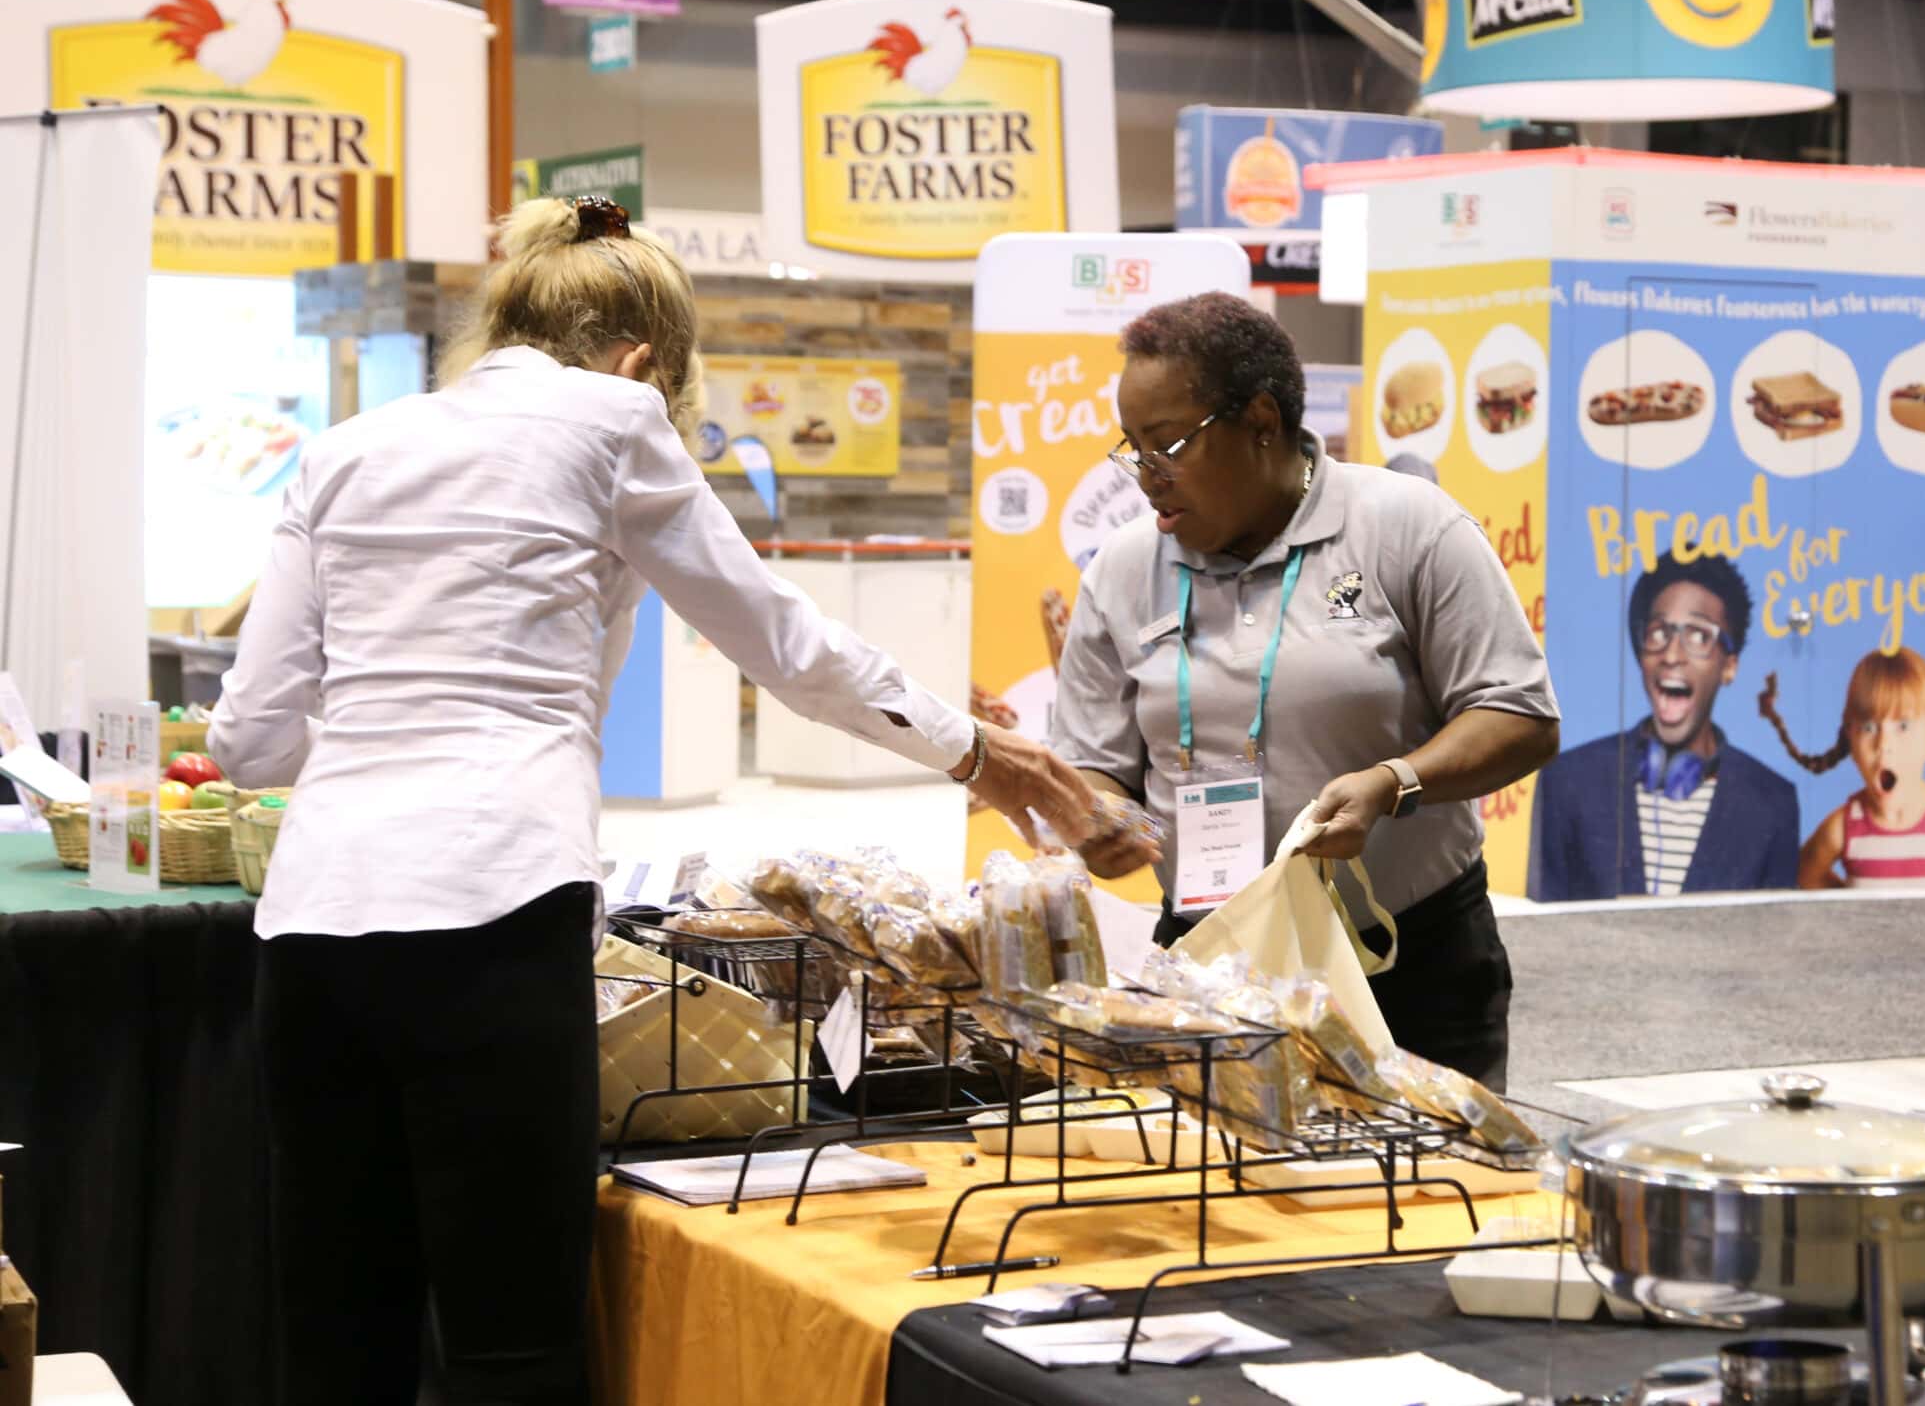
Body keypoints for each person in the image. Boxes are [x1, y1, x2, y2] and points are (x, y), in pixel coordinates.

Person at [209, 197, 1103, 1406]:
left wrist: (386, 729)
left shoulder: (346, 449)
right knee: (508, 1341)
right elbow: (786, 646)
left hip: (312, 934)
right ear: (643, 358)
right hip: (493, 912)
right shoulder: (615, 418)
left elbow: (250, 739)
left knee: (332, 1339)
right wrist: (982, 754)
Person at [1050, 293, 1558, 1089]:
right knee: (1218, 1207)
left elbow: (1521, 714)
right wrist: (1095, 815)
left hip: (1404, 962)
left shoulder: (1408, 527)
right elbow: (1091, 764)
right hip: (1208, 960)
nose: (1147, 477)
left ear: (1260, 421)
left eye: (1169, 446)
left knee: (1423, 1202)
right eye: (1132, 450)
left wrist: (1394, 783)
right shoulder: (1122, 569)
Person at [1528, 556, 1800, 899]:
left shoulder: (1771, 804)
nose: (1672, 654)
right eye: (1659, 632)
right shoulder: (1568, 783)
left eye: (1699, 636)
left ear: (1729, 666)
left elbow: (1774, 944)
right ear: (1642, 654)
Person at [1761, 647, 1925, 889]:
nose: (1884, 745)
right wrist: (1848, 905)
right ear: (1850, 738)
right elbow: (1806, 873)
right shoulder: (1844, 827)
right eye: (1869, 727)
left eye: (1903, 726)